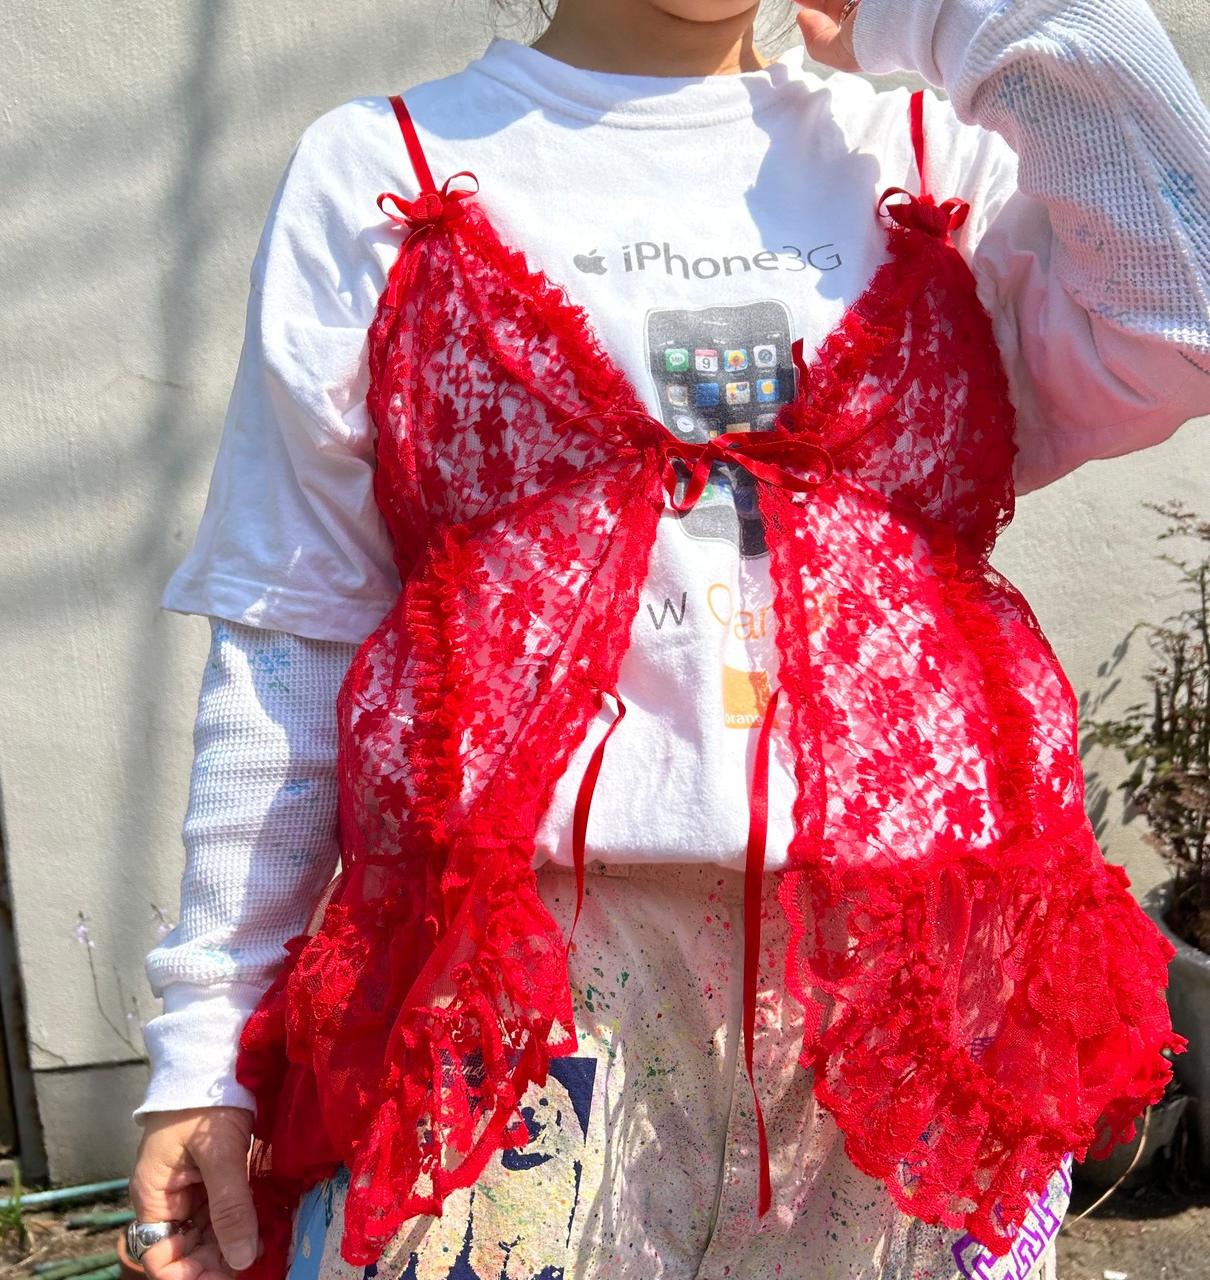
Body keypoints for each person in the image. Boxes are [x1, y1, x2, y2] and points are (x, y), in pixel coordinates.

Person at [128, 0, 1210, 1277]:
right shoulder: (380, 168)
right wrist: (206, 1040)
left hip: (904, 999)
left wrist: (946, 11)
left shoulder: (926, 154)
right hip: (524, 993)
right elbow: (293, 630)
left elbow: (1181, 303)